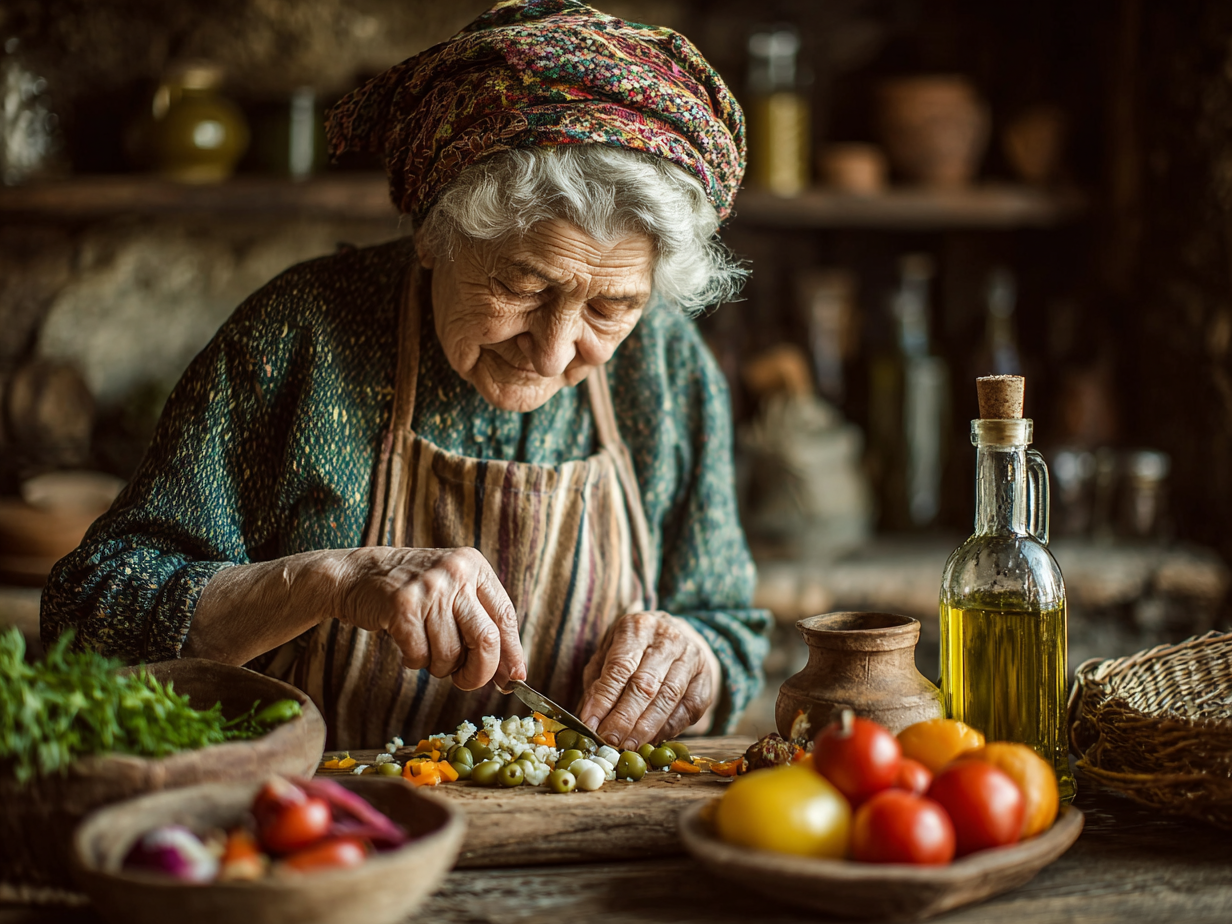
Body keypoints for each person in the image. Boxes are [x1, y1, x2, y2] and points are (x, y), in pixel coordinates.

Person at [41, 0, 771, 750]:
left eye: (611, 308)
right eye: (523, 287)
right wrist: (331, 581)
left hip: (578, 832)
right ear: (434, 232)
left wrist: (698, 659)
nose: (554, 353)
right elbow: (91, 612)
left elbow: (730, 629)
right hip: (324, 831)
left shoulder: (668, 366)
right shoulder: (301, 336)